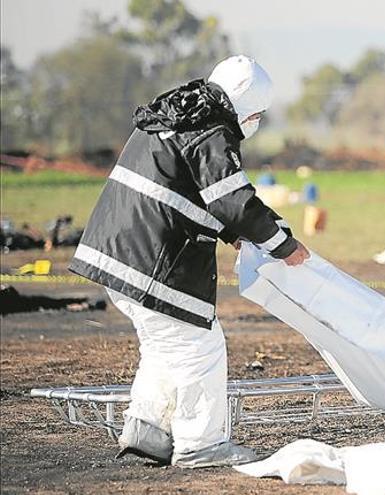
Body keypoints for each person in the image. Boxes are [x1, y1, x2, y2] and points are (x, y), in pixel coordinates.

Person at [69, 55, 310, 468]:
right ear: (245, 106)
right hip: (153, 260)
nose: (254, 122)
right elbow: (234, 201)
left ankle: (147, 433)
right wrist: (284, 245)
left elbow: (190, 192)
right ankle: (202, 444)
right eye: (256, 114)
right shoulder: (210, 130)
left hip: (117, 252)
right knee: (200, 346)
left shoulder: (178, 114)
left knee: (167, 346)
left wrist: (231, 233)